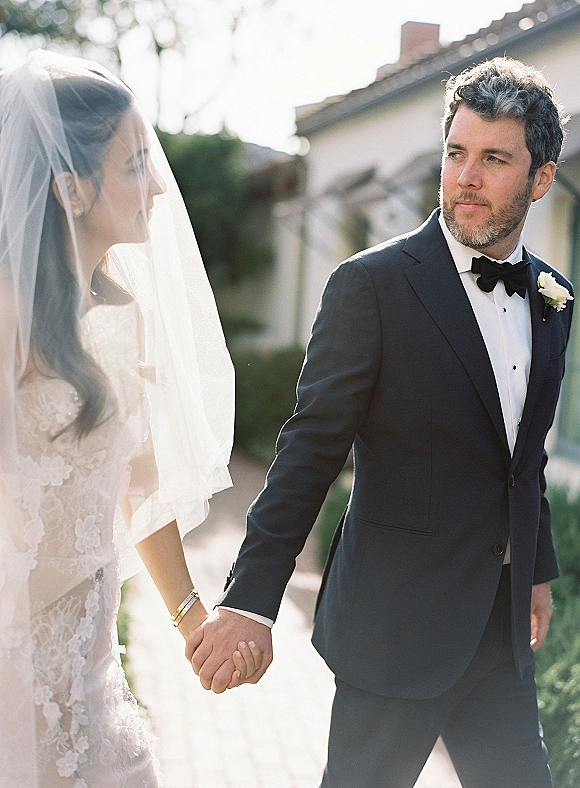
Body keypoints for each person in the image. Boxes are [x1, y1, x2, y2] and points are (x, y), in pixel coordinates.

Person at [188, 57, 573, 786]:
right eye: (456, 153)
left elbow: (526, 455)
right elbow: (309, 448)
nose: (466, 176)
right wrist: (250, 599)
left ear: (541, 178)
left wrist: (537, 572)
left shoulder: (554, 296)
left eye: (495, 159)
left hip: (499, 639)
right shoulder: (371, 285)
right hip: (395, 633)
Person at [0, 50, 260, 788]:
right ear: (71, 190)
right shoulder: (7, 317)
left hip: (89, 671)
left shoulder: (123, 317)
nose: (156, 188)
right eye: (136, 165)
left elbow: (136, 483)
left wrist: (191, 621)